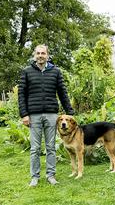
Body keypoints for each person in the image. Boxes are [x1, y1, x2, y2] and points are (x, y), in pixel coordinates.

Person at [18, 44, 75, 187]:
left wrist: (69, 111)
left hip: (51, 114)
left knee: (50, 147)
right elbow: (21, 94)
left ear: (47, 55)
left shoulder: (56, 72)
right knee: (35, 148)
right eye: (38, 53)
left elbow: (62, 92)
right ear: (34, 55)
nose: (40, 56)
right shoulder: (27, 72)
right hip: (34, 115)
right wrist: (24, 114)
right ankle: (34, 177)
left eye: (43, 53)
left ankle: (51, 175)